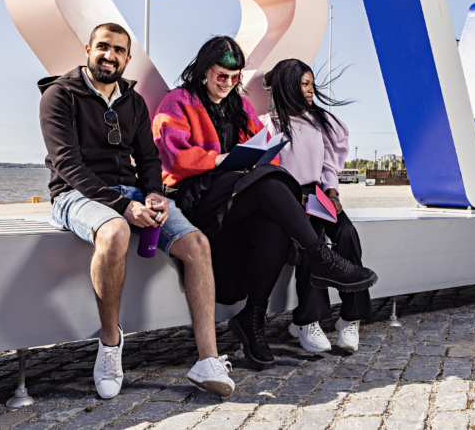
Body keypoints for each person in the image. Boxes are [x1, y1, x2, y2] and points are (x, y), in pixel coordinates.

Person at [152, 36, 377, 370]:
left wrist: (253, 161)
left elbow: (264, 150)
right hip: (196, 197)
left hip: (235, 198)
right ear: (204, 70)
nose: (228, 83)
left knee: (274, 230)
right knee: (269, 181)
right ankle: (320, 257)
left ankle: (252, 318)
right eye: (221, 75)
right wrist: (220, 160)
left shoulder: (241, 107)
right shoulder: (177, 101)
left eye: (234, 77)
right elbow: (173, 157)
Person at [39, 23, 234, 400]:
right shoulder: (59, 95)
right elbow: (68, 165)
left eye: (118, 50)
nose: (109, 55)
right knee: (115, 232)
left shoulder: (134, 101)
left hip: (131, 193)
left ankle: (207, 359)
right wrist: (124, 207)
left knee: (197, 244)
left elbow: (148, 159)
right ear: (88, 49)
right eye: (102, 47)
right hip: (74, 195)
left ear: (128, 58)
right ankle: (110, 344)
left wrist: (155, 195)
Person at [261, 59, 372, 353]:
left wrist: (333, 194)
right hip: (287, 199)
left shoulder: (319, 123)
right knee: (313, 241)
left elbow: (327, 167)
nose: (311, 90)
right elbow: (265, 169)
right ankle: (307, 320)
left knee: (347, 233)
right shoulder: (268, 125)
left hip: (318, 195)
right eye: (304, 84)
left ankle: (351, 317)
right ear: (287, 86)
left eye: (312, 84)